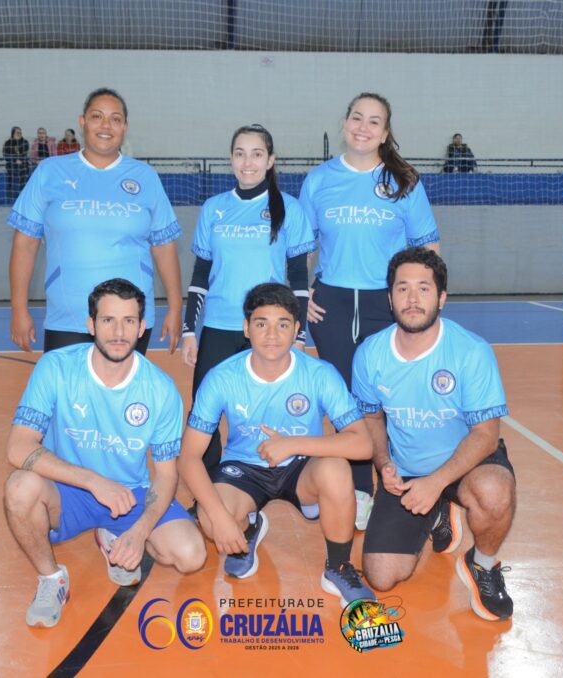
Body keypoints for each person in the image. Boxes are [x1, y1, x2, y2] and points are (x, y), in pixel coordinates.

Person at [3, 279, 205, 628]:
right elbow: (18, 447)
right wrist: (94, 481)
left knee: (191, 555)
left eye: (129, 321)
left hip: (130, 494)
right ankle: (52, 579)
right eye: (108, 320)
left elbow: (167, 474)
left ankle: (112, 533)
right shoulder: (56, 368)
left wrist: (139, 531)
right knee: (19, 488)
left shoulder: (160, 389)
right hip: (68, 490)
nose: (119, 332)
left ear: (141, 328)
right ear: (91, 324)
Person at [179, 283, 376, 607]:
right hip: (244, 468)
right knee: (212, 519)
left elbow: (363, 444)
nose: (272, 334)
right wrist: (220, 517)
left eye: (282, 324)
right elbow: (189, 457)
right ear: (246, 328)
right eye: (262, 324)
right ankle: (248, 528)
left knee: (337, 469)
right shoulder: (222, 377)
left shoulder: (319, 374)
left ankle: (338, 568)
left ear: (297, 330)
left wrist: (292, 444)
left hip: (301, 466)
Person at [300, 92, 440, 530]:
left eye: (374, 121)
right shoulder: (318, 180)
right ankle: (361, 491)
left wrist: (422, 299)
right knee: (348, 403)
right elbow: (300, 247)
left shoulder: (404, 181)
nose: (363, 127)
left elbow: (428, 247)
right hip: (333, 304)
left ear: (385, 132)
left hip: (387, 303)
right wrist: (302, 296)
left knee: (395, 399)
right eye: (357, 118)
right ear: (344, 123)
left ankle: (416, 486)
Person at [353, 247, 516, 622]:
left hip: (466, 464)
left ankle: (482, 564)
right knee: (382, 576)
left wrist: (437, 482)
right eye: (403, 288)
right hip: (409, 470)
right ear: (390, 298)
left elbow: (485, 435)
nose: (412, 299)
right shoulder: (370, 354)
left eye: (423, 289)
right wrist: (384, 464)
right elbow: (372, 419)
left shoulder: (471, 352)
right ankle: (440, 514)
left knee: (493, 492)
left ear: (441, 298)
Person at [181, 124, 316, 476]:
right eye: (240, 154)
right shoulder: (214, 208)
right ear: (231, 159)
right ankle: (210, 483)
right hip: (219, 325)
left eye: (257, 154)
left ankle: (265, 479)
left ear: (270, 160)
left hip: (268, 329)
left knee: (266, 409)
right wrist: (189, 331)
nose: (247, 162)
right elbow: (200, 275)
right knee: (205, 411)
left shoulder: (289, 209)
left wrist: (298, 335)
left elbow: (298, 279)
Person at [8, 87, 183, 354]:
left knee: (124, 384)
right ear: (83, 122)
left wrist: (175, 308)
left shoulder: (145, 176)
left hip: (129, 319)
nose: (106, 125)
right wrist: (18, 309)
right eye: (97, 116)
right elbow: (24, 245)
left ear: (125, 127)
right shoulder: (49, 172)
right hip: (68, 318)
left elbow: (164, 248)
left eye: (115, 119)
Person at [3, 126, 30, 201]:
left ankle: (22, 192)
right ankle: (10, 194)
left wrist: (20, 160)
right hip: (12, 163)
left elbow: (24, 153)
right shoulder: (8, 143)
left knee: (24, 170)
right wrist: (15, 160)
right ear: (13, 133)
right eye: (17, 133)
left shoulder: (25, 142)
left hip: (22, 163)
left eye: (20, 133)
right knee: (10, 170)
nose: (19, 134)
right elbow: (6, 155)